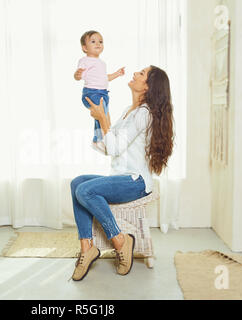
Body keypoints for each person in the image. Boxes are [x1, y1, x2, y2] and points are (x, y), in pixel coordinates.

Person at [70, 65, 174, 281]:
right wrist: (99, 117)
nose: (135, 73)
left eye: (142, 73)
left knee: (86, 191)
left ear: (148, 87)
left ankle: (119, 241)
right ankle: (87, 247)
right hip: (120, 178)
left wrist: (103, 119)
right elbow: (109, 147)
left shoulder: (144, 114)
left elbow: (115, 147)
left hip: (135, 181)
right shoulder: (130, 110)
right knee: (77, 183)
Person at [74, 30, 125, 153]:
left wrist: (117, 74)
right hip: (92, 92)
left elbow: (104, 78)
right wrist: (78, 74)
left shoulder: (102, 63)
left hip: (103, 93)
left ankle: (103, 140)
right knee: (101, 115)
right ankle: (98, 140)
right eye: (93, 41)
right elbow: (77, 76)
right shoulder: (85, 60)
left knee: (106, 117)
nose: (98, 44)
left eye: (100, 41)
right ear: (84, 48)